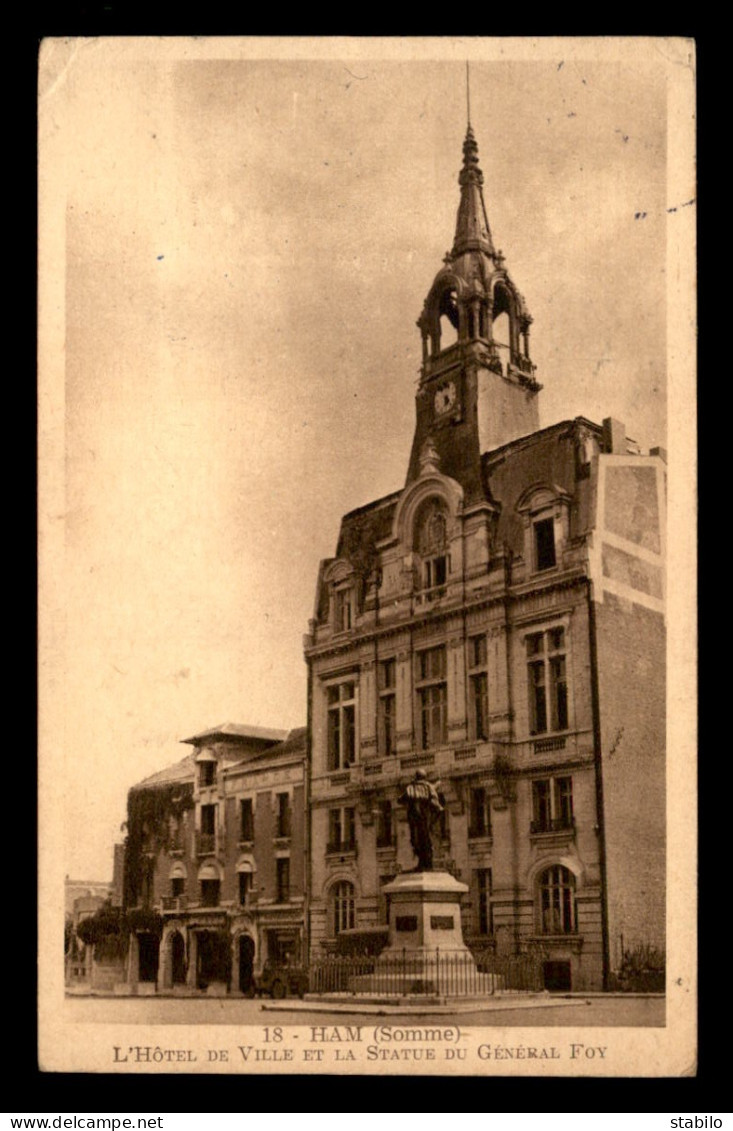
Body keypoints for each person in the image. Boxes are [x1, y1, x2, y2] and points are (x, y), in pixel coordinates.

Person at [399, 769, 444, 871]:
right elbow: (438, 807)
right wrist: (433, 821)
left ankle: (422, 863)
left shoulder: (411, 788)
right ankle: (427, 864)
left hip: (414, 821)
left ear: (416, 777)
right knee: (426, 842)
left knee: (416, 841)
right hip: (426, 820)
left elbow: (400, 799)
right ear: (425, 777)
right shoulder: (429, 787)